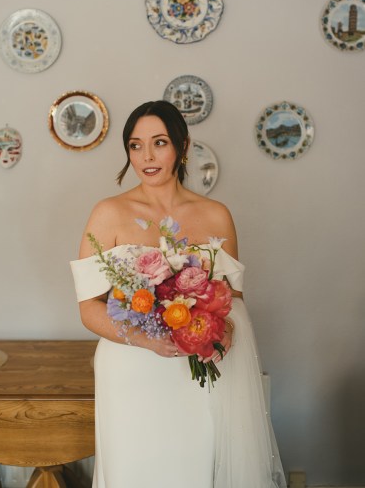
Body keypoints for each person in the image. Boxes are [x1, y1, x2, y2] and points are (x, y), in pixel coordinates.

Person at [70, 100, 286, 488]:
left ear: (183, 147)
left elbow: (233, 301)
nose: (147, 157)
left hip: (195, 373)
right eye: (135, 145)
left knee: (194, 470)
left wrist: (221, 332)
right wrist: (145, 339)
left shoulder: (216, 215)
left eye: (159, 143)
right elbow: (88, 308)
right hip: (129, 371)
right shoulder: (107, 213)